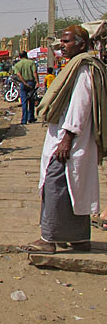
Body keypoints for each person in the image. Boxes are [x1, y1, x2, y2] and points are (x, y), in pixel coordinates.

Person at [19, 25, 107, 254]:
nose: (63, 47)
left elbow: (80, 105)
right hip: (70, 138)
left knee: (55, 184)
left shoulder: (84, 69)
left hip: (70, 139)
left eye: (67, 42)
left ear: (81, 43)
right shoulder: (77, 68)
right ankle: (78, 238)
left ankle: (49, 239)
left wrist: (67, 138)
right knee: (72, 188)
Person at [12, 51, 39, 124]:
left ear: (19, 57)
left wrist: (24, 83)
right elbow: (35, 72)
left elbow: (19, 75)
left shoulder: (17, 65)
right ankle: (31, 118)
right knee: (31, 101)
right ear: (26, 55)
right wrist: (37, 82)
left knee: (24, 103)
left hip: (23, 84)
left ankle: (24, 120)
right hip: (31, 83)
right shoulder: (31, 63)